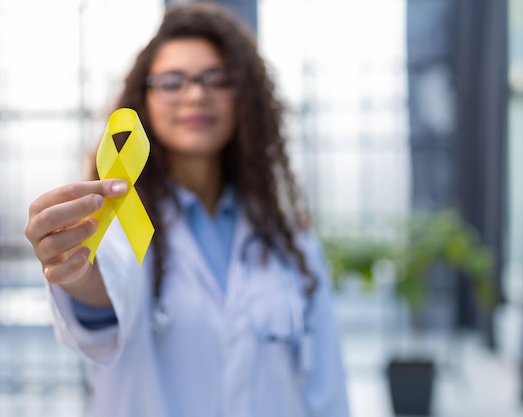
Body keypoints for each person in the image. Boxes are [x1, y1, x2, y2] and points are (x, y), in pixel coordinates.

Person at [24, 2, 350, 416]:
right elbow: (104, 289)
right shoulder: (118, 227)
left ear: (244, 98)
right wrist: (73, 269)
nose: (196, 94)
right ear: (144, 99)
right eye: (172, 81)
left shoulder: (291, 241)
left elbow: (327, 390)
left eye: (217, 79)